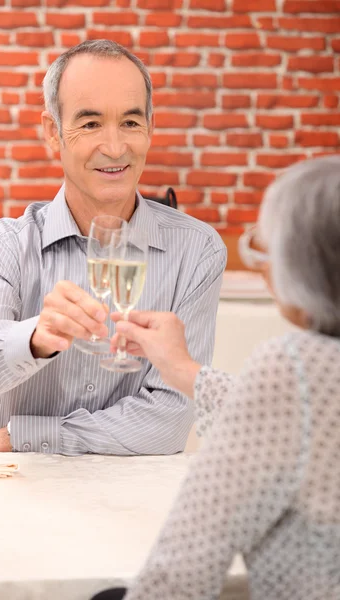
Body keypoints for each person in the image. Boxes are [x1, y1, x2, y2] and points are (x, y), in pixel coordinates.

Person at [0, 40, 226, 457]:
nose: (114, 147)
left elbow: (167, 423)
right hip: (23, 491)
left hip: (136, 495)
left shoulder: (198, 251)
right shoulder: (6, 244)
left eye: (130, 123)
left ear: (150, 127)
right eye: (90, 124)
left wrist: (19, 437)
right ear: (53, 132)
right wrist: (35, 339)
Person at [101, 156, 340, 600]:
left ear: (301, 265)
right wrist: (183, 370)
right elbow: (292, 421)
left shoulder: (293, 371)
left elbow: (182, 569)